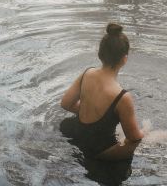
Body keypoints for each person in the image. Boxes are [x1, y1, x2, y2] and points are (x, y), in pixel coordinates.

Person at [60, 23, 144, 161]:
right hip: (98, 150)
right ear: (124, 59)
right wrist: (145, 131)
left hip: (76, 134)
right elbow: (134, 138)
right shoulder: (123, 97)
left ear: (100, 54)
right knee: (154, 137)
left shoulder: (87, 73)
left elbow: (66, 104)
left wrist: (90, 113)